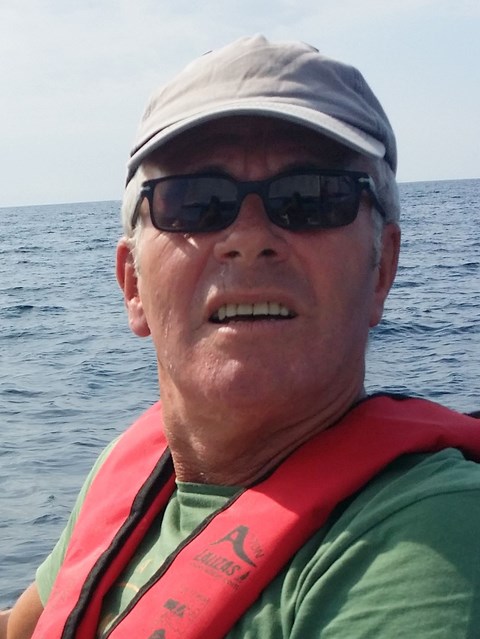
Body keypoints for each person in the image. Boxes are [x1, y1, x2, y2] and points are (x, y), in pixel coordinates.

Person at [2, 34, 480, 639]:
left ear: (381, 269)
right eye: (196, 201)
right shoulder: (126, 477)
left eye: (311, 198)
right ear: (133, 285)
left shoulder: (433, 537)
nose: (250, 237)